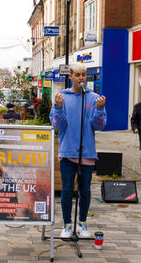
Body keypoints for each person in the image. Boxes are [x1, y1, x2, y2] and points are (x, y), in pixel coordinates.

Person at [49, 63, 106, 239]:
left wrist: (100, 109)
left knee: (85, 190)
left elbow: (99, 125)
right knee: (67, 189)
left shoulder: (94, 98)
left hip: (87, 151)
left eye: (84, 75)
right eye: (78, 75)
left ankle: (82, 222)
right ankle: (67, 224)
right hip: (67, 151)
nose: (82, 78)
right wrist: (58, 108)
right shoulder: (62, 97)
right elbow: (57, 125)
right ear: (71, 76)